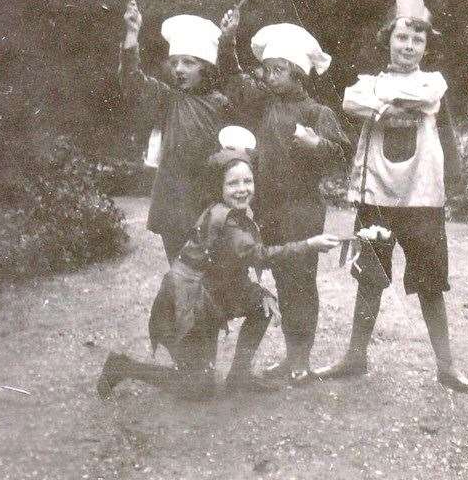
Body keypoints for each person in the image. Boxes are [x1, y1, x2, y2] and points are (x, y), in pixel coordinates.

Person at [316, 0, 468, 393]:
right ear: (388, 40)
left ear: (426, 46)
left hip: (422, 196)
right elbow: (351, 102)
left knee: (431, 282)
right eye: (402, 37)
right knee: (370, 275)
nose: (408, 46)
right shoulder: (367, 83)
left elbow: (435, 111)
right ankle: (355, 356)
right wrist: (385, 106)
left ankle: (446, 365)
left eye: (417, 39)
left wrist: (454, 184)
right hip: (377, 196)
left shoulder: (434, 83)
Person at [96, 136, 340, 401]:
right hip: (185, 305)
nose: (242, 189)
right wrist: (309, 244)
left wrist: (258, 291)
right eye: (233, 183)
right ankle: (122, 366)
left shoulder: (234, 211)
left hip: (209, 294)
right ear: (219, 187)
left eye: (247, 181)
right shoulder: (224, 220)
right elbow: (259, 255)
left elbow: (233, 266)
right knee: (198, 389)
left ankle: (239, 377)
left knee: (262, 304)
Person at [217, 12, 351, 384]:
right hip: (267, 208)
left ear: (298, 73)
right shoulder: (263, 104)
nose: (269, 76)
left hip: (302, 208)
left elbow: (342, 154)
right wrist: (229, 42)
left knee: (301, 282)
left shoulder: (316, 112)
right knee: (280, 276)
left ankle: (300, 359)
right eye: (268, 69)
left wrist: (317, 142)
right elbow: (237, 80)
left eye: (278, 70)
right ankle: (291, 354)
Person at [121, 0, 235, 263]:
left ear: (205, 68)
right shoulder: (168, 98)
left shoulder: (221, 103)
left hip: (210, 201)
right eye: (175, 63)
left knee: (213, 278)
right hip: (173, 204)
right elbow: (132, 80)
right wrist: (131, 33)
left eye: (189, 62)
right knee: (181, 276)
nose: (179, 69)